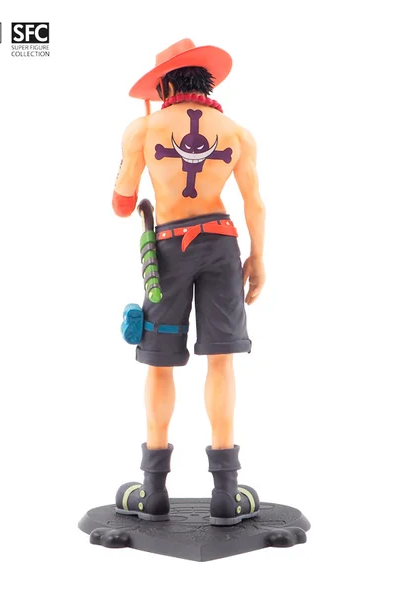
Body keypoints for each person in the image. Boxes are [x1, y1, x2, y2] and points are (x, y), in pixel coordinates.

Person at [112, 39, 266, 526]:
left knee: (160, 363)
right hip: (222, 246)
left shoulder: (144, 129)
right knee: (221, 360)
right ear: (205, 82)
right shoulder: (236, 133)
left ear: (165, 86)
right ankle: (226, 494)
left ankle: (153, 492)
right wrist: (259, 257)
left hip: (168, 250)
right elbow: (255, 204)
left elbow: (121, 203)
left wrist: (133, 156)